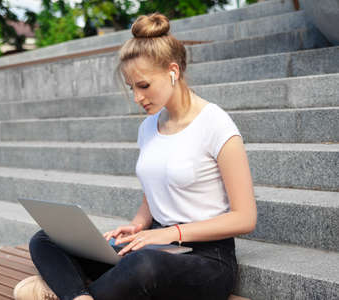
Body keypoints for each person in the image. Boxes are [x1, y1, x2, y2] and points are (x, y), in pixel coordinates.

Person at [14, 12, 257, 300]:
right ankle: (79, 296)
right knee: (46, 239)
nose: (137, 97)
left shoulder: (216, 124)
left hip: (206, 258)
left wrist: (170, 233)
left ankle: (64, 291)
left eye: (143, 86)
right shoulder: (148, 127)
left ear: (173, 71)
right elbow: (156, 185)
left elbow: (245, 218)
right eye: (132, 88)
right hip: (153, 243)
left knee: (142, 264)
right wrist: (139, 224)